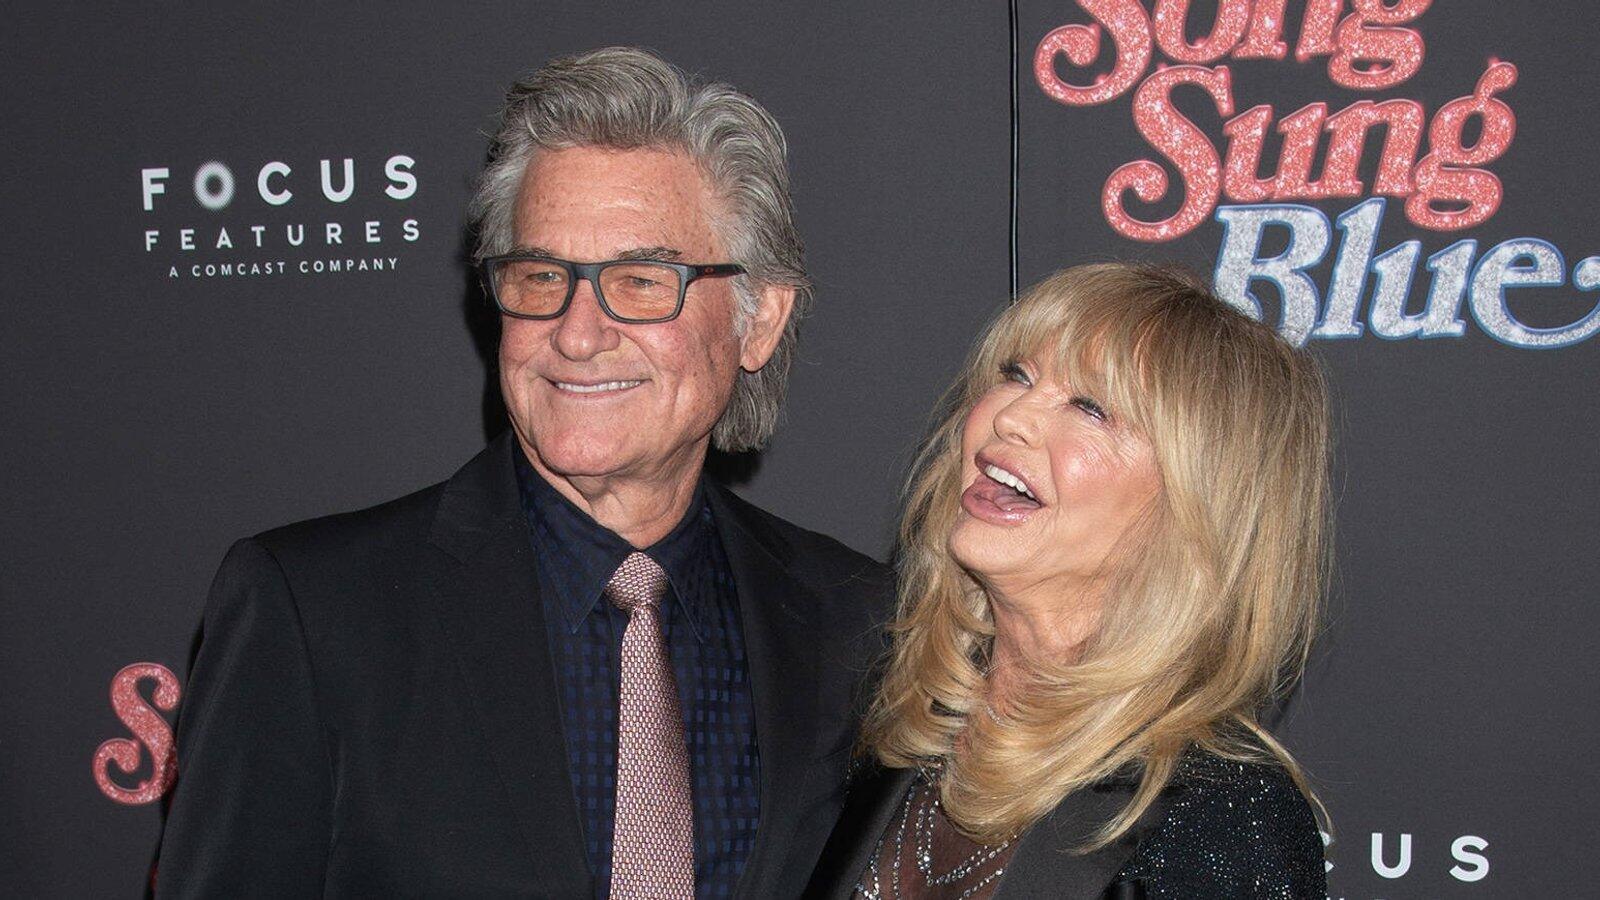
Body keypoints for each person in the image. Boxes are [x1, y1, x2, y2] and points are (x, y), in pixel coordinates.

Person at [156, 47, 889, 899]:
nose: (577, 333)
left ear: (758, 321)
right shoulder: (314, 615)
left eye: (640, 281)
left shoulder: (858, 626)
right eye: (541, 276)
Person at [808, 263, 1330, 899]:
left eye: (1090, 408)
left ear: (1197, 505)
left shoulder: (1222, 820)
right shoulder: (889, 719)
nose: (1012, 417)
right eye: (1016, 375)